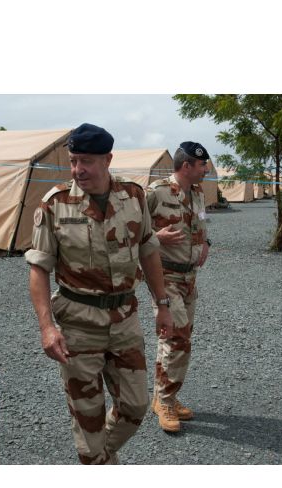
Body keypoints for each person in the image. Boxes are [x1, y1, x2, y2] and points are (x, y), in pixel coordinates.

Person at [26, 123, 173, 464]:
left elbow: (149, 251)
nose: (79, 169)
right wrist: (47, 327)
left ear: (108, 160)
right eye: (74, 160)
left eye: (87, 161)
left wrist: (162, 304)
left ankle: (97, 456)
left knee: (135, 406)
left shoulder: (134, 197)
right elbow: (38, 269)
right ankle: (95, 458)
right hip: (78, 323)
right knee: (87, 415)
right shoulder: (56, 205)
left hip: (124, 319)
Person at [144, 142, 211, 432]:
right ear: (187, 166)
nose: (206, 169)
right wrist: (156, 236)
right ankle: (167, 402)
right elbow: (132, 231)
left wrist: (207, 243)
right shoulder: (155, 192)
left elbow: (202, 224)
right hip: (165, 277)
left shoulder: (196, 192)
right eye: (202, 165)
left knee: (171, 339)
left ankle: (161, 397)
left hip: (189, 277)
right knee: (179, 337)